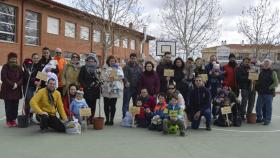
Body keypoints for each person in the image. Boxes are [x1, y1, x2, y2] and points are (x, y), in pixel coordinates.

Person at [0, 52, 23, 127]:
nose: (13, 60)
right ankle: (8, 120)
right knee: (8, 106)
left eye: (15, 59)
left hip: (16, 90)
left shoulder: (19, 67)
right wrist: (13, 84)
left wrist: (17, 84)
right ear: (9, 59)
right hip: (7, 90)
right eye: (12, 59)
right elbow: (3, 77)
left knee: (15, 106)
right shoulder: (5, 67)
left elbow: (22, 77)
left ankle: (13, 120)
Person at [102, 56, 124, 125]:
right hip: (106, 88)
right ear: (108, 61)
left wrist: (114, 78)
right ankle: (107, 119)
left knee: (113, 105)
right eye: (111, 61)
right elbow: (102, 77)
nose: (112, 62)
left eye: (113, 61)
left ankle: (111, 120)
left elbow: (122, 76)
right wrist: (108, 79)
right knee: (106, 105)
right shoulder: (105, 68)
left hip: (114, 88)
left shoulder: (119, 68)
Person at [255, 59, 278, 125]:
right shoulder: (261, 72)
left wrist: (269, 88)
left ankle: (267, 119)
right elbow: (258, 81)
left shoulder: (273, 72)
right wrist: (256, 85)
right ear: (263, 64)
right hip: (261, 93)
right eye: (265, 63)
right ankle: (259, 118)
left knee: (268, 107)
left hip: (269, 93)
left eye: (267, 64)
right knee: (258, 107)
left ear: (270, 65)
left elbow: (276, 83)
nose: (266, 65)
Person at [78, 54, 101, 121]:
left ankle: (91, 117)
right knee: (86, 104)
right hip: (86, 89)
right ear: (86, 61)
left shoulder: (97, 68)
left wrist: (97, 83)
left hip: (95, 89)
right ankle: (86, 118)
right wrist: (85, 86)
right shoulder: (83, 68)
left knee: (93, 104)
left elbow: (100, 78)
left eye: (92, 60)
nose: (90, 62)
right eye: (89, 60)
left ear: (95, 61)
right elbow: (80, 78)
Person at [122, 53, 142, 118]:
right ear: (130, 59)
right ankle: (125, 118)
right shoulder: (126, 67)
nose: (133, 60)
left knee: (136, 104)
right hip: (128, 88)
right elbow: (124, 76)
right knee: (126, 104)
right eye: (132, 58)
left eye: (134, 58)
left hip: (136, 88)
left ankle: (135, 118)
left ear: (136, 59)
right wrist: (126, 81)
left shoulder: (139, 67)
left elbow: (141, 77)